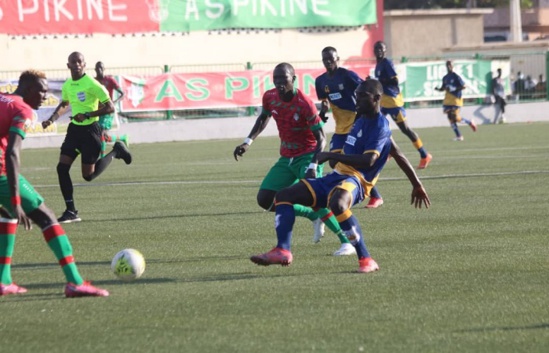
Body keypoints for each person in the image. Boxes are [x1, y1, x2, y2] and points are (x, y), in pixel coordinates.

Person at [250, 78, 430, 272]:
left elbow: (369, 160)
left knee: (338, 203)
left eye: (362, 96)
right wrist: (331, 157)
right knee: (283, 196)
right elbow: (397, 153)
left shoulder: (380, 126)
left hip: (358, 181)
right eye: (356, 95)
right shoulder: (360, 119)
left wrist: (328, 155)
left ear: (377, 98)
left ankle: (366, 259)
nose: (356, 99)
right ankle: (282, 250)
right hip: (337, 176)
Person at [0, 69, 109, 297]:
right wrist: (15, 198)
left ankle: (3, 280)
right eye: (42, 91)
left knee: (7, 215)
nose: (46, 96)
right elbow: (11, 154)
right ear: (29, 88)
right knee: (47, 217)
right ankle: (74, 282)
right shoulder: (24, 110)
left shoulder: (3, 98)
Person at [234, 62, 356, 256]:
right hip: (286, 157)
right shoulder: (270, 97)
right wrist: (247, 142)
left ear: (294, 79)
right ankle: (312, 216)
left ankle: (347, 241)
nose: (279, 83)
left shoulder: (304, 103)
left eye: (284, 79)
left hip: (307, 155)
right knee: (265, 199)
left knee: (317, 199)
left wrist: (314, 163)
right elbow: (264, 118)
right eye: (276, 79)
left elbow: (321, 138)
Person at [42, 52, 132, 223]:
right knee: (62, 168)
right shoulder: (68, 84)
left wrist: (88, 114)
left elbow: (110, 107)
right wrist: (52, 119)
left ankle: (116, 151)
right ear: (68, 65)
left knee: (88, 176)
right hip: (74, 131)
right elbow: (65, 103)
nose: (76, 64)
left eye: (79, 61)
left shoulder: (92, 83)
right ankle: (71, 211)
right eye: (73, 62)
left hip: (91, 131)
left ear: (84, 65)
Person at [315, 46, 384, 210]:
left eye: (331, 59)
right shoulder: (321, 81)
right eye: (325, 60)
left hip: (355, 124)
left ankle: (374, 195)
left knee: (353, 161)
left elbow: (366, 89)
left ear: (337, 59)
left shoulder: (347, 76)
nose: (328, 62)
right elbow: (325, 101)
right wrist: (323, 114)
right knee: (333, 161)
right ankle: (350, 188)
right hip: (340, 127)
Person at [373, 41, 432, 169]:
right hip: (383, 102)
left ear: (385, 51)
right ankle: (389, 150)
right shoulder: (378, 65)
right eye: (376, 48)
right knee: (377, 125)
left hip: (393, 101)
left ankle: (424, 154)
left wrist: (379, 81)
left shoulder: (387, 63)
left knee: (405, 129)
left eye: (381, 49)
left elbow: (395, 80)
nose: (378, 51)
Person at [435, 60, 477, 141]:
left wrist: (454, 88)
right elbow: (443, 88)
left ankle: (470, 122)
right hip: (447, 100)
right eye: (447, 65)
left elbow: (464, 86)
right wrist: (438, 89)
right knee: (450, 118)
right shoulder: (445, 77)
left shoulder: (456, 76)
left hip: (456, 100)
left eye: (450, 65)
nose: (449, 67)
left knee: (455, 116)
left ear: (453, 66)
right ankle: (459, 136)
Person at [94, 61, 128, 157]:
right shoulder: (94, 81)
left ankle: (102, 157)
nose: (99, 70)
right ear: (95, 70)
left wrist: (114, 102)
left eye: (101, 68)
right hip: (98, 111)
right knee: (103, 136)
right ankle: (122, 138)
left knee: (101, 133)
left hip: (108, 111)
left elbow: (123, 94)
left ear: (104, 69)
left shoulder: (109, 80)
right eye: (97, 68)